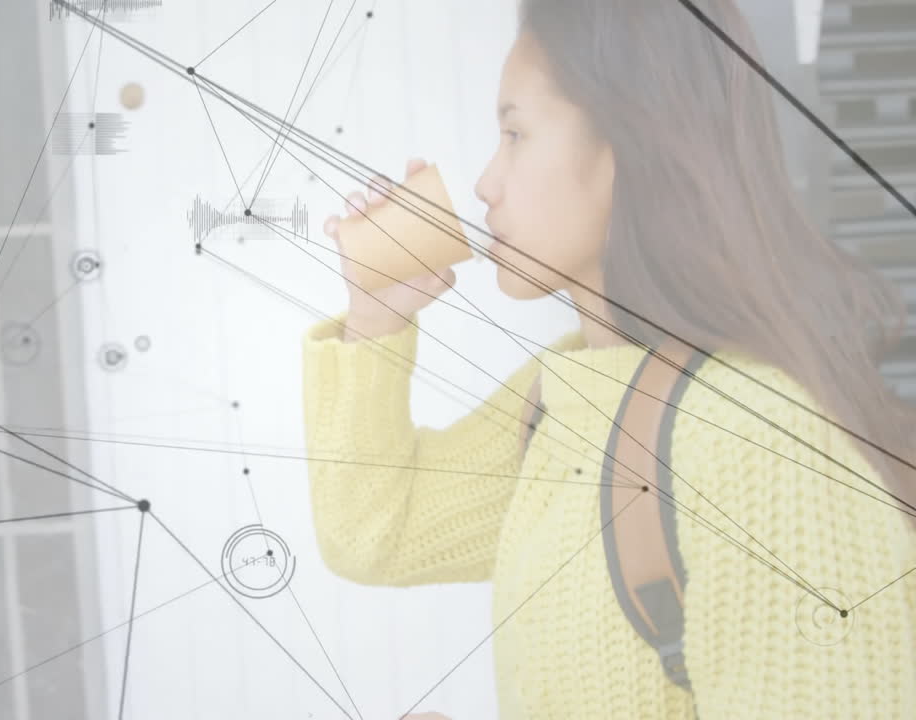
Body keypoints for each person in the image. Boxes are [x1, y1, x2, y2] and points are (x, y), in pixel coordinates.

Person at [302, 0, 916, 717]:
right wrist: (376, 317)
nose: (484, 182)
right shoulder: (571, 394)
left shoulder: (758, 443)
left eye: (515, 134)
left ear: (629, 144)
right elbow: (379, 535)